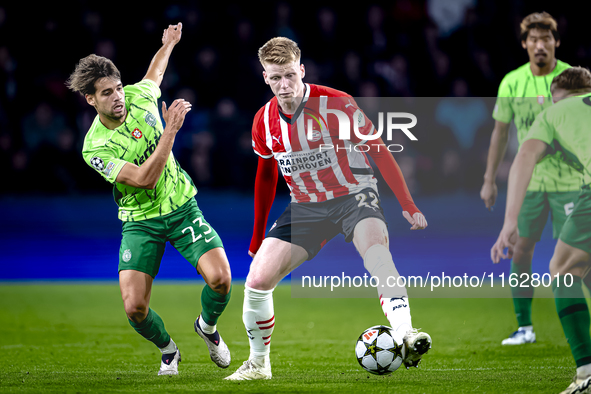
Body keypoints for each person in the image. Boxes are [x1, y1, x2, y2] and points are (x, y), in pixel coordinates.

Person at [225, 37, 431, 381]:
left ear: (302, 70)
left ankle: (406, 333)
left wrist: (407, 204)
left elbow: (379, 150)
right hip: (305, 206)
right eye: (276, 78)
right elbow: (266, 174)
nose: (284, 84)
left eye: (290, 75)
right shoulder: (263, 121)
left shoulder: (337, 104)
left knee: (376, 253)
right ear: (265, 78)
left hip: (354, 195)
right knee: (257, 281)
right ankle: (259, 364)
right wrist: (258, 234)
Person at [66, 23, 232, 376]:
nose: (118, 97)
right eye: (107, 93)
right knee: (134, 308)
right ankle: (168, 350)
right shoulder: (95, 147)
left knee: (221, 280)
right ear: (91, 100)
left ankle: (207, 327)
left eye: (118, 88)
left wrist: (169, 43)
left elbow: (154, 73)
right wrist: (170, 130)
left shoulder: (139, 95)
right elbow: (143, 179)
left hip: (181, 206)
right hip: (140, 220)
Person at [480, 12, 585, 345]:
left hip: (572, 182)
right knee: (520, 249)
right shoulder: (512, 82)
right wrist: (489, 179)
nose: (541, 45)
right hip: (529, 184)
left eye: (547, 39)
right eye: (534, 40)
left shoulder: (573, 80)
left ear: (556, 42)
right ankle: (524, 326)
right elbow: (499, 133)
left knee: (580, 257)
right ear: (524, 44)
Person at [491, 66, 591, 394]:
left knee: (563, 269)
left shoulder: (553, 113)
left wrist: (509, 221)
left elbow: (524, 157)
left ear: (556, 97)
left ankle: (587, 373)